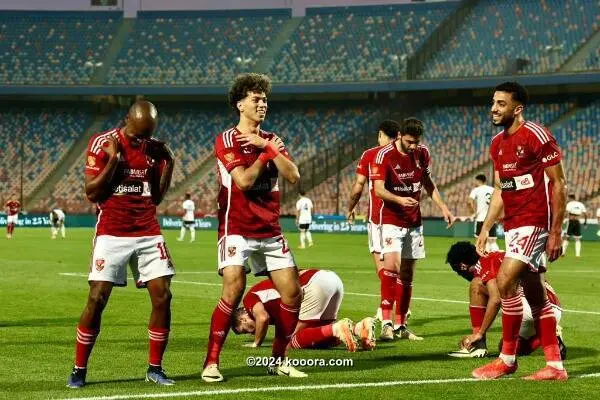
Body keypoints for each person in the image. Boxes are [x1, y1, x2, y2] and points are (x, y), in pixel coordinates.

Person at [66, 100, 176, 388]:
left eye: (148, 134)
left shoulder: (152, 148)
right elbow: (91, 192)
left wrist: (170, 162)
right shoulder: (103, 143)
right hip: (112, 232)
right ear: (127, 118)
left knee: (163, 296)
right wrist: (114, 160)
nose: (143, 140)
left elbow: (156, 198)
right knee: (97, 298)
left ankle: (155, 368)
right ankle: (79, 369)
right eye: (139, 134)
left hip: (148, 231)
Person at [202, 73, 303, 383]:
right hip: (237, 228)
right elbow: (244, 181)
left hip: (270, 229)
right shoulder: (227, 139)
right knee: (234, 286)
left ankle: (278, 360)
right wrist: (266, 152)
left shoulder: (270, 138)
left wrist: (268, 147)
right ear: (240, 104)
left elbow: (293, 176)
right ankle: (211, 362)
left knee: (293, 293)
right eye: (256, 99)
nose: (263, 104)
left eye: (265, 99)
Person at [473, 82, 567, 380]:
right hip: (512, 225)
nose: (494, 108)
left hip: (535, 220)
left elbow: (559, 183)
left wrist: (555, 232)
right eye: (493, 102)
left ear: (518, 108)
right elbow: (502, 188)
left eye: (501, 103)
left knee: (504, 280)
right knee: (536, 295)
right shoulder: (497, 143)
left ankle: (507, 358)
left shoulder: (536, 135)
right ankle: (555, 366)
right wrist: (486, 227)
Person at [371, 117, 455, 341]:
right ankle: (386, 323)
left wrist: (444, 207)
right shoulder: (383, 155)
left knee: (408, 273)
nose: (413, 146)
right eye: (409, 142)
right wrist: (399, 199)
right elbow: (378, 190)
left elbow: (428, 183)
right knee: (392, 267)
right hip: (390, 219)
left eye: (417, 142)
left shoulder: (422, 153)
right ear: (399, 136)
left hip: (414, 222)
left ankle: (401, 325)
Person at [445, 241, 566, 360]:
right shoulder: (502, 254)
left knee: (476, 284)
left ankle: (478, 346)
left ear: (462, 266)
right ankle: (550, 334)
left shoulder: (485, 261)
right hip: (553, 307)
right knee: (507, 347)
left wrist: (480, 333)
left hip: (528, 307)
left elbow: (496, 299)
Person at [231, 269, 376, 352]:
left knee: (292, 341)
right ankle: (360, 328)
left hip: (313, 285)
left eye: (245, 330)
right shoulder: (271, 308)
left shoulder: (249, 299)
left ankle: (338, 328)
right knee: (325, 338)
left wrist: (256, 343)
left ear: (243, 317)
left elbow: (262, 318)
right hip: (332, 280)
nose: (250, 333)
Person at [347, 120, 399, 322]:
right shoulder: (406, 154)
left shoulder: (370, 155)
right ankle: (398, 311)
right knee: (399, 269)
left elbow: (358, 187)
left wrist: (350, 208)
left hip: (379, 218)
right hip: (403, 219)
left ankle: (386, 311)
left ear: (381, 134)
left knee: (384, 270)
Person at [468, 174, 499, 252]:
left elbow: (469, 202)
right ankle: (496, 260)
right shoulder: (492, 189)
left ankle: (481, 261)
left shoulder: (476, 190)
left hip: (480, 218)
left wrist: (472, 213)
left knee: (480, 241)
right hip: (492, 219)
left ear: (478, 181)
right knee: (492, 241)